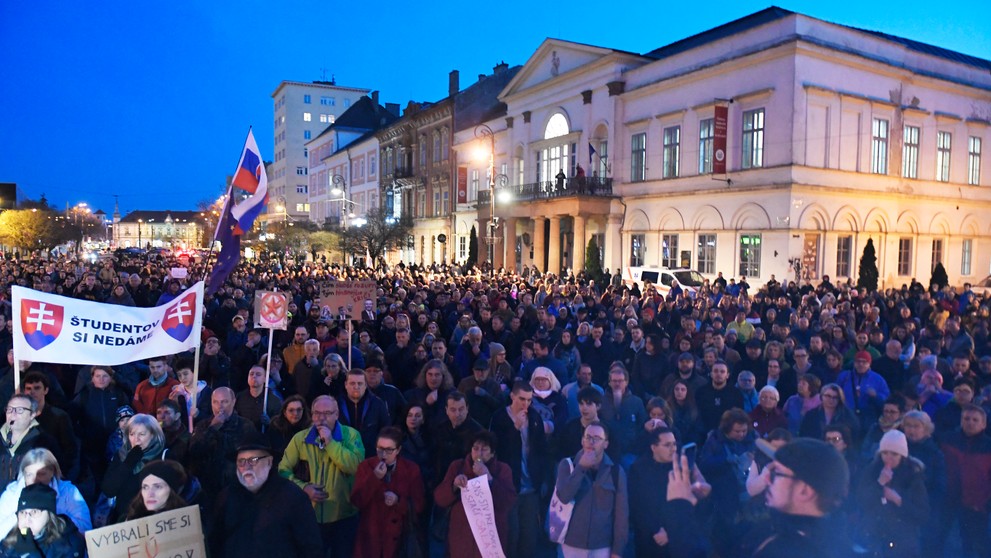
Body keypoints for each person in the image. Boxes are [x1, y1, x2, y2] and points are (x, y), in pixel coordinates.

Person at [210, 434, 323, 558]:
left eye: (253, 460)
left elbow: (311, 548)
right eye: (241, 461)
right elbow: (215, 542)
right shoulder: (226, 497)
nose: (246, 467)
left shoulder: (292, 497)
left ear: (269, 462)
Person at [278, 395, 363, 558]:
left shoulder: (351, 436)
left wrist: (330, 443)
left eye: (327, 413)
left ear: (337, 414)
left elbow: (355, 467)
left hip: (344, 516)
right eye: (317, 413)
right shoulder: (300, 439)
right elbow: (283, 471)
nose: (321, 418)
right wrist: (303, 488)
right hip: (310, 517)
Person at [488, 380, 548, 558]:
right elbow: (496, 450)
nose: (526, 404)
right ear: (512, 396)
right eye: (522, 399)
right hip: (509, 485)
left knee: (529, 536)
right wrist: (515, 429)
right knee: (510, 534)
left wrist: (543, 479)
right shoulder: (499, 417)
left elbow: (542, 450)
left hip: (530, 486)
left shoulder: (535, 417)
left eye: (529, 400)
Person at [434, 431, 516, 558]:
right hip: (461, 537)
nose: (479, 453)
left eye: (484, 449)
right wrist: (454, 486)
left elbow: (508, 501)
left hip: (489, 540)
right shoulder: (457, 466)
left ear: (492, 453)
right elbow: (440, 498)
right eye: (475, 448)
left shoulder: (503, 470)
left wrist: (489, 479)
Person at [555, 420, 629, 557]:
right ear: (582, 441)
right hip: (570, 544)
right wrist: (581, 468)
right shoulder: (567, 465)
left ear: (606, 444)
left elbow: (621, 515)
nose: (591, 442)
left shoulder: (616, 472)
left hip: (602, 546)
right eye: (588, 437)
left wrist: (617, 550)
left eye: (597, 438)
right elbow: (564, 497)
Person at [351, 427, 426, 558]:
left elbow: (418, 506)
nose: (383, 454)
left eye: (389, 450)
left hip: (399, 539)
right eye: (380, 449)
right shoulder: (366, 466)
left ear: (398, 450)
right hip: (371, 537)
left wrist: (398, 501)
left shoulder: (411, 469)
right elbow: (357, 501)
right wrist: (374, 478)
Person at [854, 430, 929, 558]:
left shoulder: (913, 476)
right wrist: (879, 483)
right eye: (885, 453)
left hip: (903, 542)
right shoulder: (871, 471)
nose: (889, 457)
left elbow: (922, 514)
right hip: (874, 536)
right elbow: (861, 500)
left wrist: (899, 500)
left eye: (894, 454)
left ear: (902, 456)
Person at [938, 404, 991, 557]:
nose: (970, 422)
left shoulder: (989, 446)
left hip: (978, 505)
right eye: (966, 418)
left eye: (975, 420)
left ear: (983, 424)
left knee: (977, 545)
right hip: (948, 499)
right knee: (942, 539)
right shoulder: (948, 440)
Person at [0, 449, 91, 537]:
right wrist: (20, 517)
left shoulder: (68, 491)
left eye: (42, 474)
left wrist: (51, 520)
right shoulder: (12, 494)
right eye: (29, 474)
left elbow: (85, 529)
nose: (35, 479)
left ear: (52, 472)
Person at [100, 413, 166, 524]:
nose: (136, 439)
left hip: (156, 522)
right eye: (132, 434)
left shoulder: (164, 457)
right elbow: (108, 489)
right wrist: (128, 463)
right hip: (125, 521)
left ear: (153, 435)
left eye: (142, 434)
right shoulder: (121, 456)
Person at [69, 364, 129, 484]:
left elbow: (127, 414)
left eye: (105, 376)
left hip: (115, 442)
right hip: (93, 443)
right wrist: (83, 433)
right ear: (92, 378)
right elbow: (72, 417)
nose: (101, 379)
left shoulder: (118, 393)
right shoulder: (84, 394)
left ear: (111, 378)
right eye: (98, 376)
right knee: (97, 475)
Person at [0, 484, 86, 558]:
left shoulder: (69, 544)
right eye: (22, 512)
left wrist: (29, 555)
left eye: (34, 512)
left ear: (49, 515)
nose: (27, 519)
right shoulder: (9, 541)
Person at [0, 395, 60, 490]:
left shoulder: (43, 442)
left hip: (27, 500)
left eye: (19, 410)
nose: (12, 414)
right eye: (9, 409)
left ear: (32, 415)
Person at [337, 368, 391, 459]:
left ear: (365, 385)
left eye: (360, 383)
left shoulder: (377, 404)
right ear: (346, 385)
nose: (356, 387)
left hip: (370, 457)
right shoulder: (336, 404)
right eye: (352, 383)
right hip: (343, 456)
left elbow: (386, 430)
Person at [267, 395, 310, 463]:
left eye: (299, 410)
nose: (295, 413)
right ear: (285, 412)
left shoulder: (309, 428)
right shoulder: (275, 427)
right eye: (291, 410)